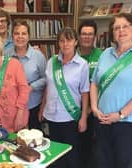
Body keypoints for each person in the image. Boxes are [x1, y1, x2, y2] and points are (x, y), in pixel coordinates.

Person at [90, 13, 132, 168]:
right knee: (103, 163)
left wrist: (121, 114)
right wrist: (94, 108)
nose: (121, 31)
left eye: (125, 26)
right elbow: (94, 83)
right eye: (116, 28)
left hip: (128, 124)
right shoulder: (105, 53)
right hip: (102, 121)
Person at [39, 27, 90, 168]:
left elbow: (85, 93)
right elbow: (48, 87)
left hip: (70, 117)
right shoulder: (51, 62)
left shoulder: (82, 65)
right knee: (54, 156)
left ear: (75, 42)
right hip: (51, 117)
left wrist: (84, 117)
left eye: (69, 40)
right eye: (62, 41)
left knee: (72, 156)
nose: (65, 44)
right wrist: (42, 108)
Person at [5, 19, 46, 130]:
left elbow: (46, 78)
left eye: (24, 33)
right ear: (12, 36)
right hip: (11, 107)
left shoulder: (38, 56)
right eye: (16, 33)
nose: (20, 37)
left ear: (28, 36)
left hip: (33, 105)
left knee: (33, 143)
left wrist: (31, 87)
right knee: (13, 142)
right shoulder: (5, 55)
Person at [78, 19, 102, 168]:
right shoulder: (71, 54)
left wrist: (89, 109)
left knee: (90, 145)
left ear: (95, 37)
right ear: (79, 36)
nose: (87, 37)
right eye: (83, 34)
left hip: (94, 108)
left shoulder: (102, 56)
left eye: (90, 34)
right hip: (72, 107)